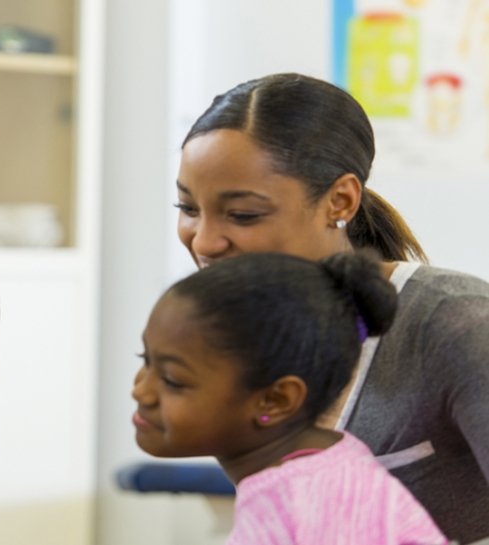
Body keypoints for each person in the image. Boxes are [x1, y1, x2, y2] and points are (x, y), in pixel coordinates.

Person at [173, 72, 489, 543]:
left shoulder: (456, 322)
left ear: (339, 201)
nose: (204, 241)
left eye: (242, 215)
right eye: (189, 208)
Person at [132, 251, 449, 544]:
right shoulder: (326, 464)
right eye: (146, 359)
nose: (141, 390)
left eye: (173, 380)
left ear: (276, 400)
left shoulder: (312, 501)